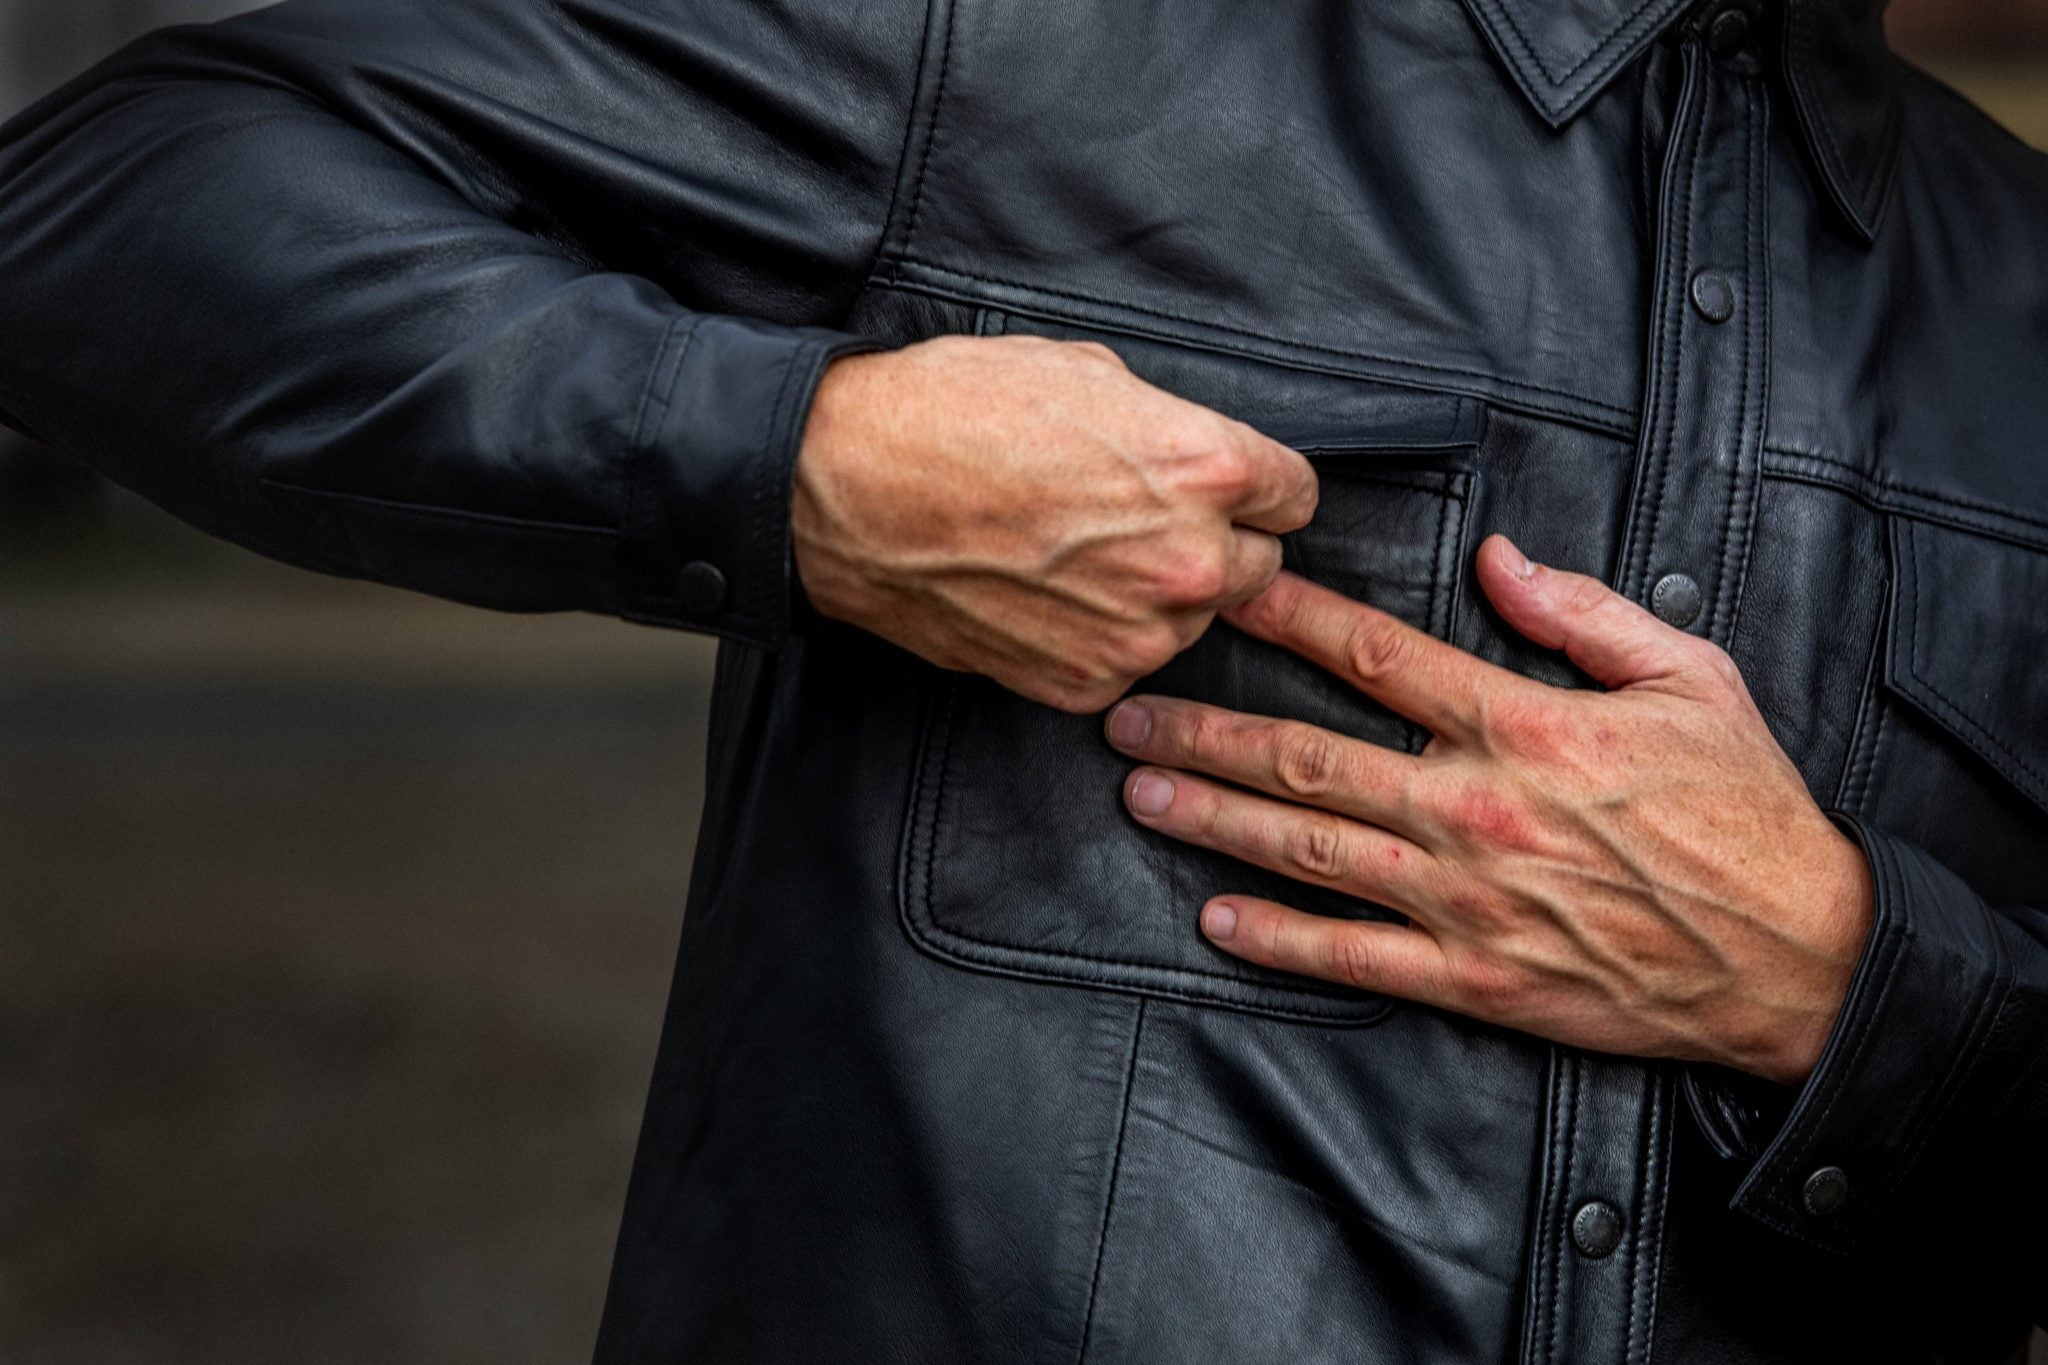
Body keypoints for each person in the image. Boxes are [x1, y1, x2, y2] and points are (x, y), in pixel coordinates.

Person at [1, 0, 2043, 1359]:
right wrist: (790, 458)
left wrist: (1847, 980)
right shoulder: (1025, 36)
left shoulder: (2023, 292)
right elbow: (110, 199)